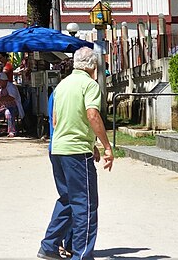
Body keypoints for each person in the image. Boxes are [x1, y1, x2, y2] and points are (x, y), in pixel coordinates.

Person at [39, 46, 113, 260]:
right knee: (86, 204)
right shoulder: (89, 85)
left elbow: (56, 119)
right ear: (93, 66)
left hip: (58, 149)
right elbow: (92, 115)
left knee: (67, 199)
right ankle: (81, 254)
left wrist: (90, 143)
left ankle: (50, 245)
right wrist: (106, 145)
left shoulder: (62, 85)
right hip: (76, 152)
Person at [0, 71, 24, 138]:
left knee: (8, 113)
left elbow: (12, 97)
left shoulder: (11, 87)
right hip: (0, 107)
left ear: (4, 81)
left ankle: (12, 131)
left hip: (12, 107)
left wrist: (0, 99)